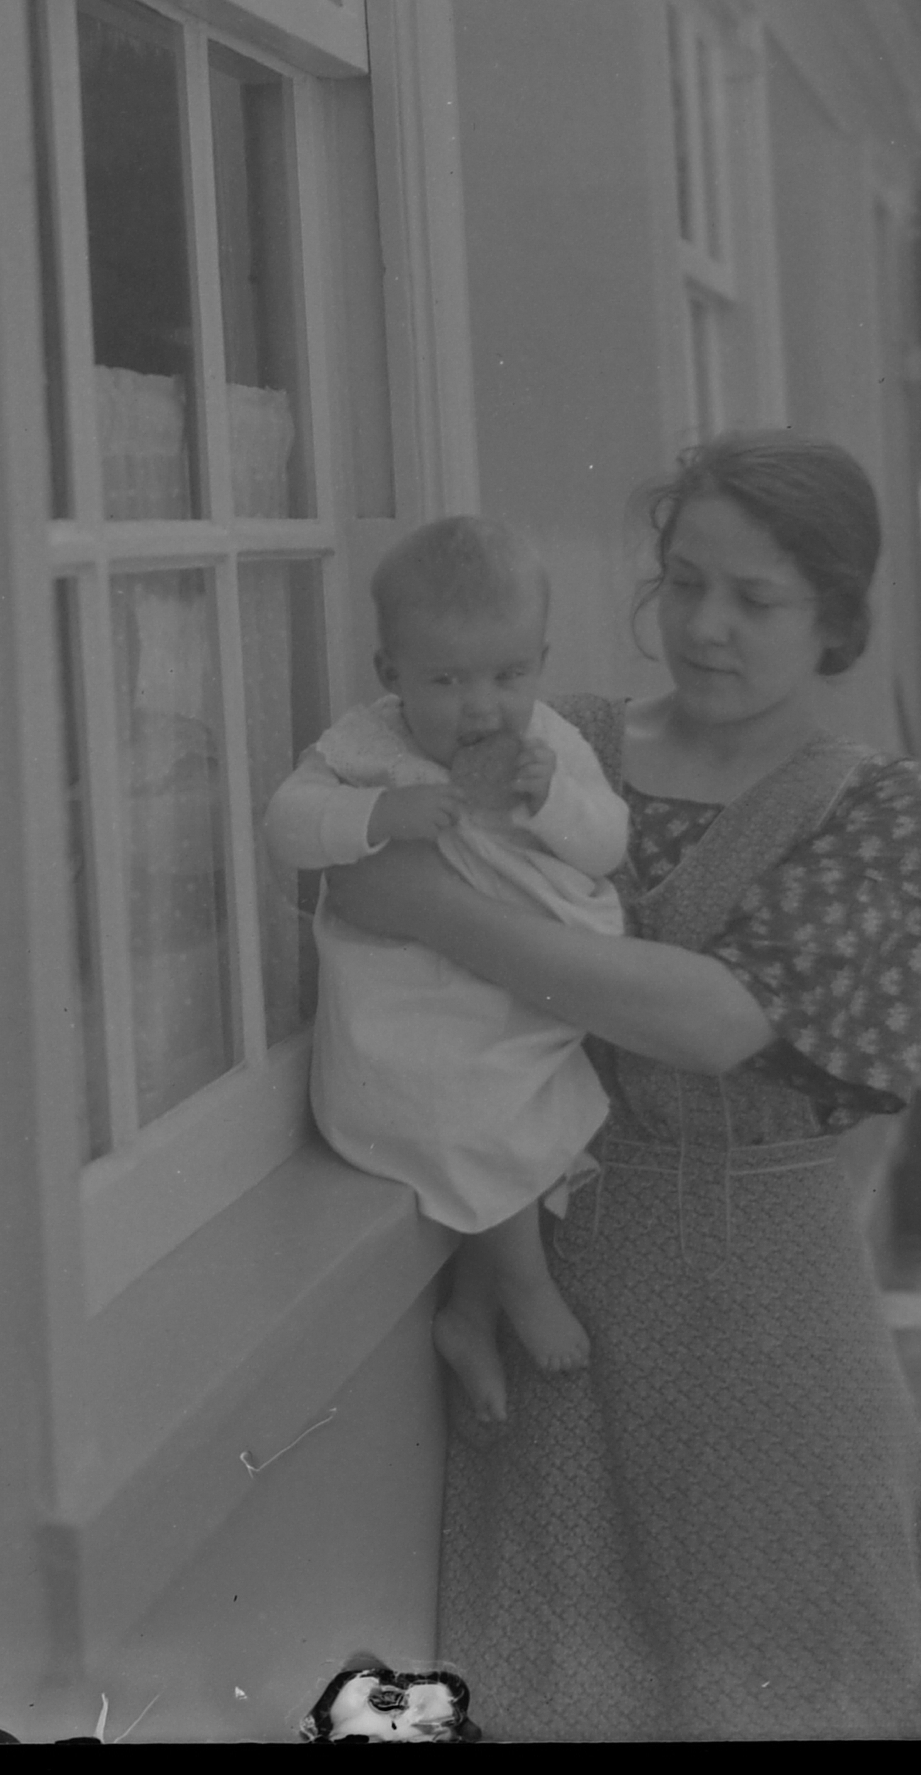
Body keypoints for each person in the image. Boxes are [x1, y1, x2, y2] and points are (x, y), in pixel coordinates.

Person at [314, 433, 921, 1743]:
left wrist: (433, 908)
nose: (705, 626)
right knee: (563, 1688)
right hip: (548, 1296)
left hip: (767, 1321)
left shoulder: (878, 808)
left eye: (755, 598)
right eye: (684, 582)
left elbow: (712, 1021)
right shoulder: (557, 743)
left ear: (835, 618)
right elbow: (355, 837)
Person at [267, 516, 628, 1425]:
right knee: (478, 1109)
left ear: (540, 663)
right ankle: (524, 1285)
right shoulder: (365, 746)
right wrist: (378, 815)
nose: (481, 710)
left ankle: (467, 1313)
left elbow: (608, 843)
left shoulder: (548, 744)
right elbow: (287, 822)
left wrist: (552, 801)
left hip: (505, 996)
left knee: (517, 1112)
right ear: (390, 673)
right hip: (409, 1009)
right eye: (446, 681)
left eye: (508, 676)